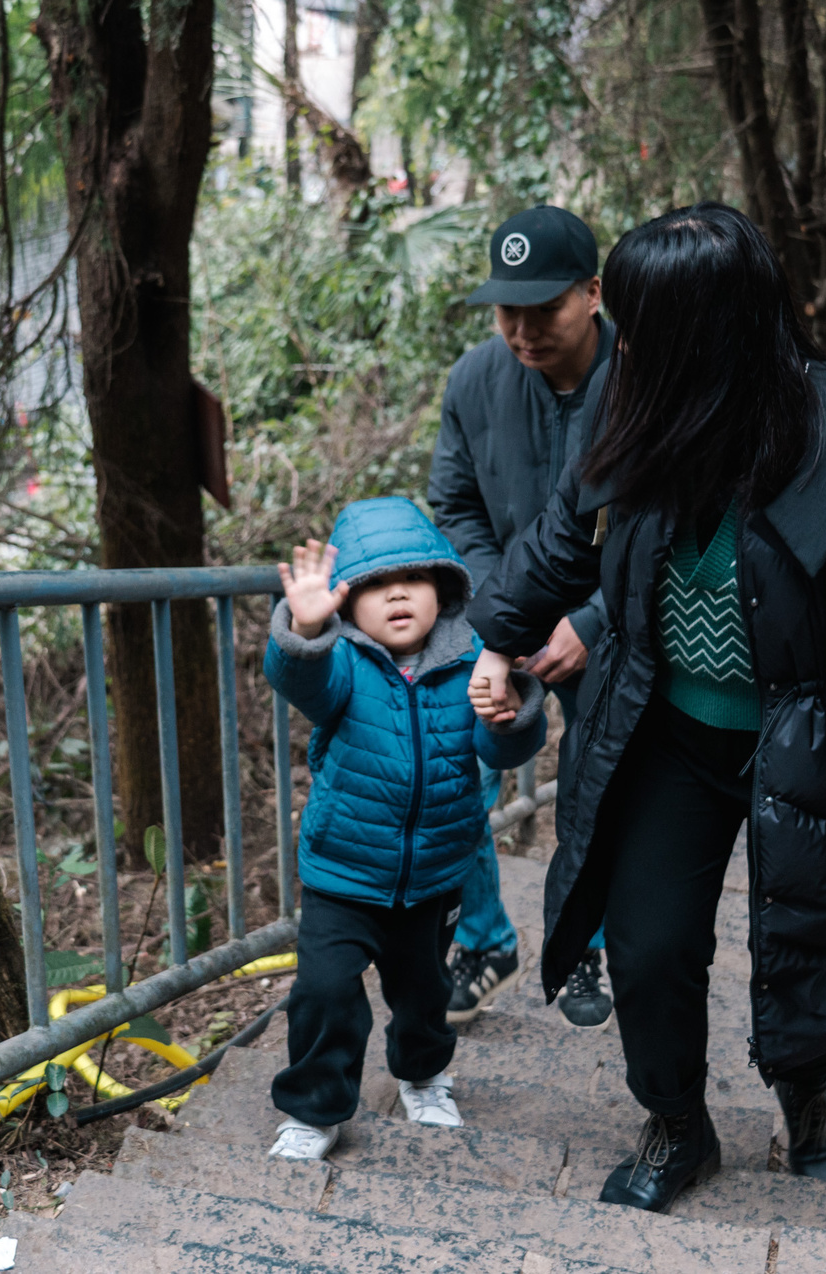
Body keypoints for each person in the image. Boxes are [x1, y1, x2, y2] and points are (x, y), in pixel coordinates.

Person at [467, 204, 826, 1212]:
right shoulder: (633, 405)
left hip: (806, 732)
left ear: (702, 334)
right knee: (649, 941)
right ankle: (676, 1125)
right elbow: (561, 534)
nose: (620, 346)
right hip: (666, 726)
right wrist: (498, 635)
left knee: (809, 939)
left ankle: (806, 1093)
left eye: (638, 326)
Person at [263, 497, 547, 1161]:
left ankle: (423, 1076)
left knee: (424, 993)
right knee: (326, 992)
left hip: (436, 873)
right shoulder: (345, 665)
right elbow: (304, 683)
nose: (397, 595)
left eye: (414, 580)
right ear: (348, 604)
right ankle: (316, 1109)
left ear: (442, 589)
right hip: (343, 871)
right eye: (374, 586)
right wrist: (305, 633)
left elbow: (502, 751)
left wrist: (511, 713)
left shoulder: (473, 656)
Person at [427, 205, 615, 1026]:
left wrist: (597, 618)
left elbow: (680, 525)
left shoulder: (642, 382)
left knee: (598, 786)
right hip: (500, 615)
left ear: (594, 295)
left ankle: (586, 945)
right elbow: (457, 503)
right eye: (509, 311)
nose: (524, 329)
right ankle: (486, 938)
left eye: (545, 309)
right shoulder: (474, 381)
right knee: (450, 766)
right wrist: (501, 613)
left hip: (616, 625)